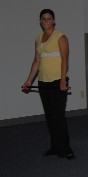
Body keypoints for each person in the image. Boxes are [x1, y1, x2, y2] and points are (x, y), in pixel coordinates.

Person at [22, 9, 74, 160]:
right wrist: (29, 80)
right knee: (50, 117)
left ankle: (66, 149)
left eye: (49, 18)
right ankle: (54, 147)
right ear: (40, 21)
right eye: (43, 19)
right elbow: (37, 61)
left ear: (53, 21)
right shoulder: (38, 38)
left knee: (58, 117)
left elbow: (65, 60)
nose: (46, 21)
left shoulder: (60, 37)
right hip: (43, 82)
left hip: (58, 81)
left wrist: (63, 80)